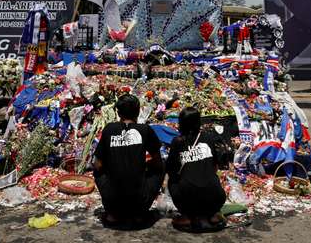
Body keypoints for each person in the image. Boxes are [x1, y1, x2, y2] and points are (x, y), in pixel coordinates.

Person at [93, 93, 165, 227]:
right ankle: (138, 213)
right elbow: (158, 162)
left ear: (118, 113)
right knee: (162, 166)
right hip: (139, 200)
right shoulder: (145, 130)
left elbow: (97, 165)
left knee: (97, 169)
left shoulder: (109, 129)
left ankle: (113, 213)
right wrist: (145, 166)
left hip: (113, 199)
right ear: (138, 111)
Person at [166, 107, 227, 231]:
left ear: (181, 123)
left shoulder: (177, 142)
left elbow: (171, 170)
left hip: (188, 199)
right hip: (216, 197)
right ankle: (212, 215)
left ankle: (187, 217)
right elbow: (215, 166)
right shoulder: (209, 138)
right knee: (211, 181)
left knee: (171, 181)